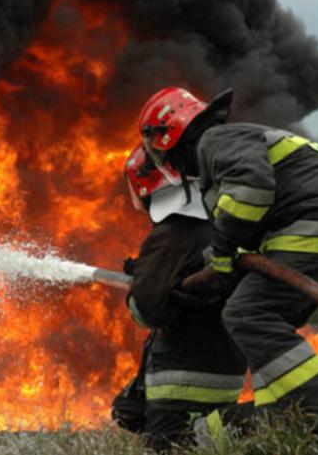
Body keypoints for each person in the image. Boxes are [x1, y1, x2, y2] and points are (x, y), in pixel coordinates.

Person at [136, 86, 318, 453]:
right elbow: (252, 220)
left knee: (247, 314)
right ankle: (287, 420)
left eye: (157, 150)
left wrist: (220, 254)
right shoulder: (229, 144)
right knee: (267, 330)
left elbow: (251, 192)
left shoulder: (215, 141)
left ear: (170, 135)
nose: (162, 160)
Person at [111, 145, 246, 452]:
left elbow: (147, 311)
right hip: (226, 370)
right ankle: (213, 432)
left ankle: (239, 426)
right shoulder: (220, 227)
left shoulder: (173, 232)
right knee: (127, 411)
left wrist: (140, 289)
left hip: (182, 375)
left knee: (168, 446)